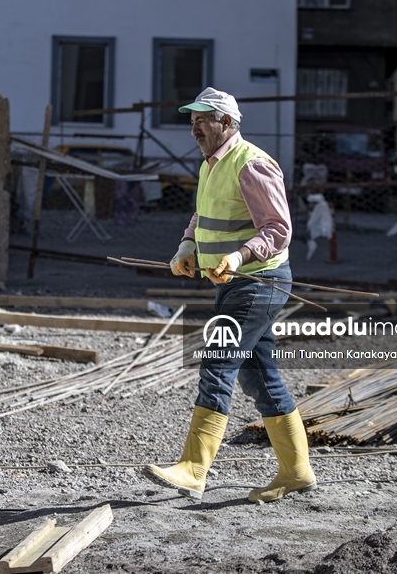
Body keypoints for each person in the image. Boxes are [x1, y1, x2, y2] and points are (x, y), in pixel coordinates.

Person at [142, 87, 316, 503]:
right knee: (259, 376)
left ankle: (193, 468)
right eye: (192, 120)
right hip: (236, 283)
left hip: (258, 282)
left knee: (217, 361)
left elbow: (278, 230)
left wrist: (238, 258)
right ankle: (296, 471)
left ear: (227, 122)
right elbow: (204, 214)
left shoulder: (252, 164)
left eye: (203, 119)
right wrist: (188, 247)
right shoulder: (211, 164)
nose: (195, 128)